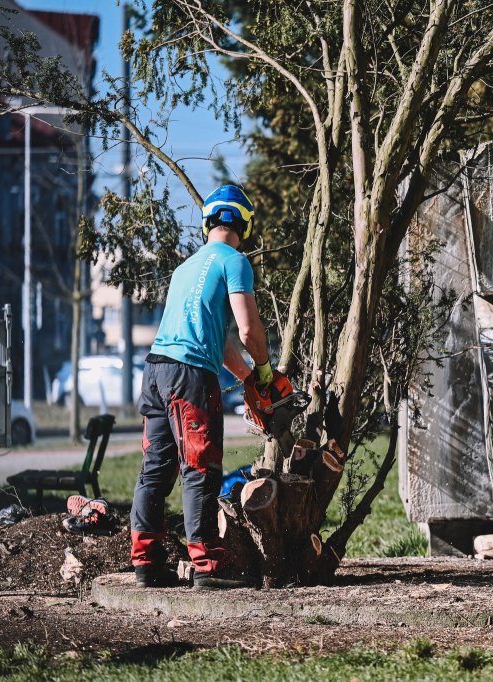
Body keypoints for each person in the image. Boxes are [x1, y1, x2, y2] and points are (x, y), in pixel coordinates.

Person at [130, 184, 292, 589]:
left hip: (155, 371)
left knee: (155, 471)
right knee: (201, 468)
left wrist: (246, 380)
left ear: (208, 221)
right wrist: (265, 371)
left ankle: (145, 563)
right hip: (189, 378)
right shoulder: (235, 261)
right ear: (244, 224)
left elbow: (217, 341)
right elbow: (249, 329)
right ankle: (209, 567)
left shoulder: (186, 268)